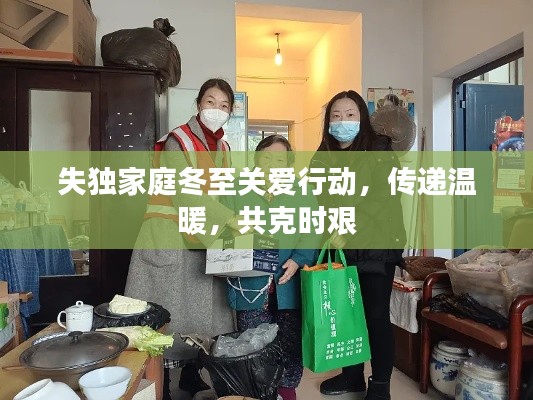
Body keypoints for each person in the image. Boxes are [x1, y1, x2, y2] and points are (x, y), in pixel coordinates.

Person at [125, 78, 242, 399]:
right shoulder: (179, 141)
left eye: (224, 105)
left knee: (206, 316)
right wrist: (229, 218)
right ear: (199, 104)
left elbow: (226, 192)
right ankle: (161, 385)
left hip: (204, 238)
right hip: (170, 238)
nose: (216, 110)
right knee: (166, 316)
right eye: (210, 102)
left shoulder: (224, 148)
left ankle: (191, 375)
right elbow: (183, 191)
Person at [311, 90, 406, 400]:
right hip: (340, 247)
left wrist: (347, 227)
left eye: (350, 114)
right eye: (336, 115)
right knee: (346, 314)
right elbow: (315, 197)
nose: (343, 121)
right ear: (328, 122)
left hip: (376, 247)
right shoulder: (323, 154)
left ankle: (380, 386)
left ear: (362, 118)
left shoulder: (379, 149)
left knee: (376, 316)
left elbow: (383, 198)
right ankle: (352, 377)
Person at [222, 135, 319, 400]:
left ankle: (287, 390)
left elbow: (312, 230)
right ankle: (257, 391)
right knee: (252, 342)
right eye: (267, 157)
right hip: (250, 281)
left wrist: (299, 259)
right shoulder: (236, 187)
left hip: (289, 279)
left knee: (289, 340)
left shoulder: (301, 190)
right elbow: (220, 228)